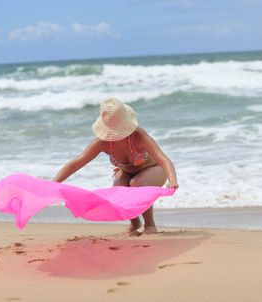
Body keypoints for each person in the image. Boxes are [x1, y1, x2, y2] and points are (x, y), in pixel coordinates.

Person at [52, 97, 179, 234]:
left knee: (137, 183)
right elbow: (76, 163)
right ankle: (135, 222)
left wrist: (172, 180)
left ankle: (150, 224)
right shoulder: (102, 143)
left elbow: (163, 159)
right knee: (118, 190)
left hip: (155, 170)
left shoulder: (139, 136)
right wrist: (53, 184)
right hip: (127, 172)